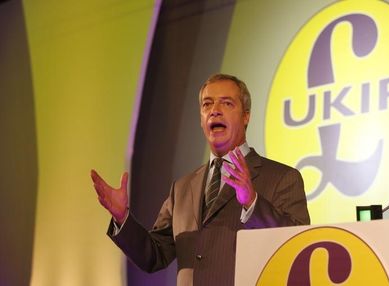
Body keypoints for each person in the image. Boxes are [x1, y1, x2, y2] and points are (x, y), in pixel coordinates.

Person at [91, 73, 310, 286]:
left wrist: (252, 203)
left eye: (226, 103)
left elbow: (296, 248)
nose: (214, 111)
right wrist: (122, 218)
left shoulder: (283, 178)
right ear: (201, 119)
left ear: (246, 116)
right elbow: (154, 255)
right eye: (207, 105)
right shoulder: (182, 188)